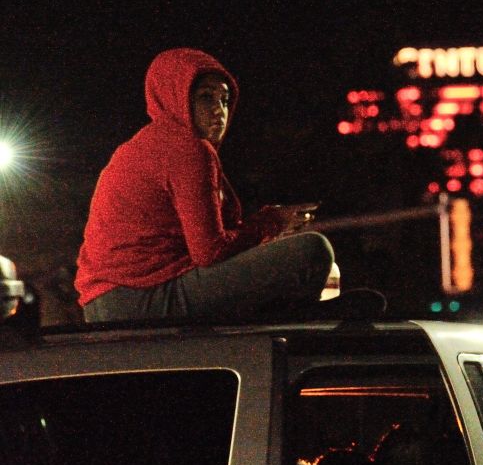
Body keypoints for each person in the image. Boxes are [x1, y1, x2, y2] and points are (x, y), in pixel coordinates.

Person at [75, 47, 335, 323]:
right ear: (175, 96)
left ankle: (289, 314)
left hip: (107, 303)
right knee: (313, 250)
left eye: (224, 100)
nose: (218, 111)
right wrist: (271, 223)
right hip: (141, 298)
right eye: (205, 98)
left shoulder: (145, 144)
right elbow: (210, 251)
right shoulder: (187, 148)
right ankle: (300, 319)